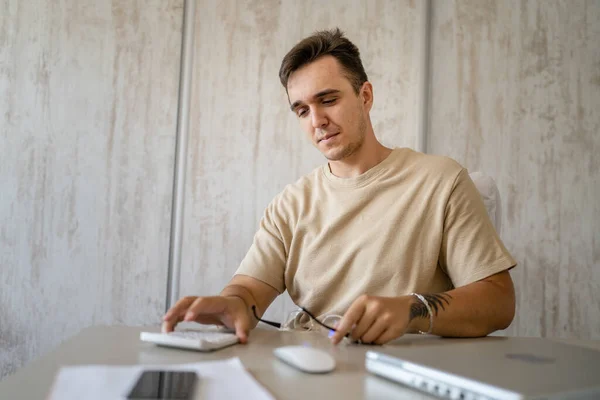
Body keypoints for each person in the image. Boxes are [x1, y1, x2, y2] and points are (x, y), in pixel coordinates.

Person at [162, 28, 517, 346]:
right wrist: (232, 304)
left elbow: (499, 301)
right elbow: (247, 291)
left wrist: (412, 310)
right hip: (305, 368)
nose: (317, 121)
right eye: (302, 111)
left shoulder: (441, 181)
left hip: (397, 371)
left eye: (328, 100)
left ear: (365, 96)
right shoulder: (291, 204)